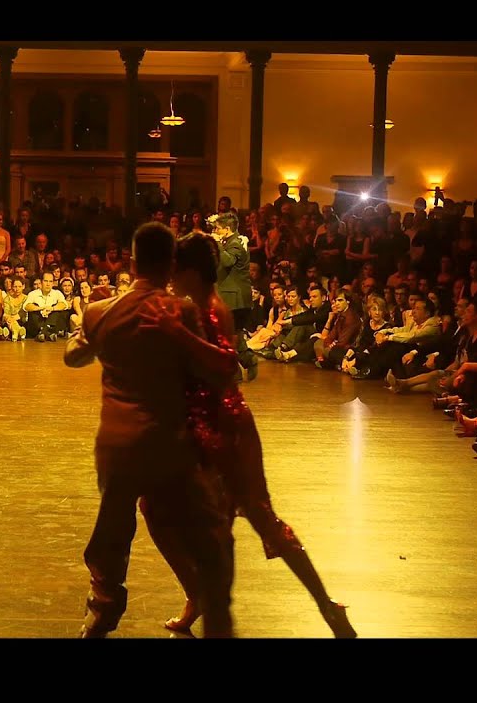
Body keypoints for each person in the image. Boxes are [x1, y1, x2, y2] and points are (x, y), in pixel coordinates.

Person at [138, 232, 356, 638]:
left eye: (174, 271)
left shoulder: (211, 309)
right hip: (205, 426)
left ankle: (324, 606)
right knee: (159, 508)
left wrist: (176, 335)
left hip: (225, 429)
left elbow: (226, 366)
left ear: (188, 271)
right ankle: (201, 596)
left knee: (255, 518)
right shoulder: (197, 306)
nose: (170, 277)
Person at [63, 222, 235, 638]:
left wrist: (89, 322)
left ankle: (102, 610)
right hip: (169, 441)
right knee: (192, 528)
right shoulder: (184, 312)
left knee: (113, 526)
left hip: (118, 442)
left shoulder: (102, 311)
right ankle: (212, 609)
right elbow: (212, 373)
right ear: (171, 263)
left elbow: (73, 357)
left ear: (132, 261)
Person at [210, 213, 257, 380]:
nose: (215, 231)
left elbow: (228, 261)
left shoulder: (236, 243)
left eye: (218, 228)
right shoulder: (230, 241)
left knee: (228, 333)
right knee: (232, 332)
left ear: (227, 229)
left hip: (235, 297)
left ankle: (236, 369)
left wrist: (216, 242)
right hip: (230, 296)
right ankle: (247, 361)